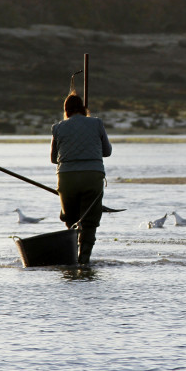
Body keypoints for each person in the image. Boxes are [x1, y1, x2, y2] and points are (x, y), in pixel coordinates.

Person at [50, 93, 112, 264]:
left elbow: (53, 159)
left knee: (71, 219)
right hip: (93, 177)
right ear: (84, 109)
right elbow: (107, 152)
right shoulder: (97, 123)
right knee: (89, 222)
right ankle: (84, 260)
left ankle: (72, 259)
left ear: (66, 111)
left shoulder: (57, 127)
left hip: (66, 179)